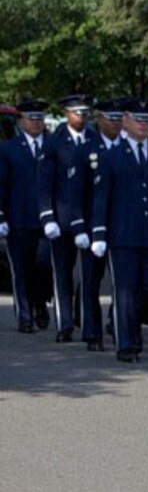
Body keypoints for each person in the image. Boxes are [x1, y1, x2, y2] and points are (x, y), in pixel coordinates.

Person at [92, 98, 148, 362]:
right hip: (123, 235)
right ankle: (126, 343)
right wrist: (98, 232)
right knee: (125, 291)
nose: (143, 125)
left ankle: (136, 325)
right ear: (126, 121)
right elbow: (101, 198)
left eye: (146, 120)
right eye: (138, 120)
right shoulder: (112, 156)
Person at [41, 93, 106, 348]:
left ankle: (91, 329)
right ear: (66, 114)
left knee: (91, 278)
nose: (81, 116)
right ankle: (65, 323)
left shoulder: (95, 140)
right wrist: (47, 216)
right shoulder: (54, 141)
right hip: (62, 218)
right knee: (63, 274)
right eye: (77, 112)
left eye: (84, 112)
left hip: (90, 220)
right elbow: (45, 181)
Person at [2, 100, 56, 331]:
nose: (36, 123)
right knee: (21, 270)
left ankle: (40, 302)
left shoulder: (53, 147)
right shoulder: (8, 149)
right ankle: (25, 316)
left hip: (48, 220)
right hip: (19, 218)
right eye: (31, 118)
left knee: (44, 265)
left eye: (39, 118)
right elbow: (2, 184)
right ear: (21, 121)